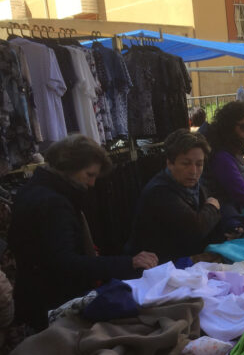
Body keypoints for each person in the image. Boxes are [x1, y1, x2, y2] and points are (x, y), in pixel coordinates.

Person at [8, 135, 158, 331]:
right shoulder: (54, 205)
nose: (93, 183)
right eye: (89, 174)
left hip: (33, 300)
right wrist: (128, 263)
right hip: (52, 308)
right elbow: (67, 264)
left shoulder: (33, 191)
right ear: (69, 167)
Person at [126, 129, 221, 264]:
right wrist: (212, 207)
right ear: (170, 163)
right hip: (159, 266)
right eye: (186, 163)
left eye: (199, 164)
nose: (193, 171)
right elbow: (196, 229)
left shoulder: (193, 186)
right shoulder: (159, 192)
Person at [202, 101, 244, 234]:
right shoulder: (221, 155)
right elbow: (241, 194)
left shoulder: (230, 149)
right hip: (228, 218)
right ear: (229, 125)